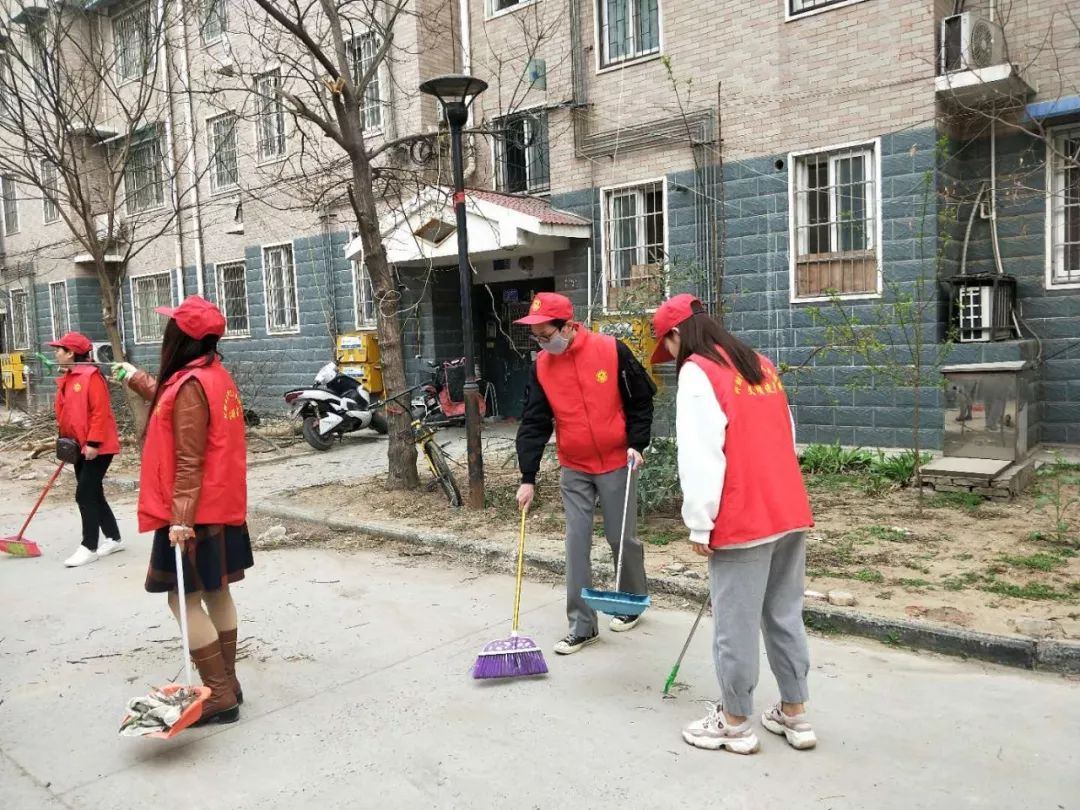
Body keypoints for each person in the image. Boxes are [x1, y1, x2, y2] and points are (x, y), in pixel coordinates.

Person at [651, 294, 816, 755]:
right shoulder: (758, 363)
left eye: (666, 345)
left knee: (735, 624)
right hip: (787, 506)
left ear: (677, 334)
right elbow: (787, 434)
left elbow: (701, 454)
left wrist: (699, 524)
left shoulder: (697, 371)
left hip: (742, 516)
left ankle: (735, 721)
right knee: (783, 614)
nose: (669, 356)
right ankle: (795, 713)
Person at [114, 295, 252, 726]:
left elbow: (189, 457)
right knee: (217, 592)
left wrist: (180, 520)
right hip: (219, 504)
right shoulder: (212, 375)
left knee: (182, 599)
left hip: (194, 511)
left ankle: (219, 694)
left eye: (170, 326)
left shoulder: (191, 385)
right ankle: (226, 684)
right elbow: (178, 408)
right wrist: (137, 379)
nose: (165, 332)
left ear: (183, 337)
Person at [514, 292, 656, 655]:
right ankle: (582, 625)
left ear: (568, 326)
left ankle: (631, 600)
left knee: (621, 537)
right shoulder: (543, 366)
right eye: (537, 338)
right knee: (576, 544)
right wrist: (527, 477)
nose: (543, 344)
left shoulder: (611, 350)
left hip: (616, 461)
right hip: (574, 465)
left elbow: (641, 398)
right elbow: (534, 422)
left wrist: (637, 444)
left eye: (547, 335)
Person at [49, 332, 123, 568]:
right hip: (77, 446)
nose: (56, 352)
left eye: (59, 349)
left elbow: (99, 413)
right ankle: (114, 538)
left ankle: (89, 546)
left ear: (71, 353)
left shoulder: (92, 377)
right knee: (93, 492)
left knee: (84, 494)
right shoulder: (70, 377)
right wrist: (66, 442)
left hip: (97, 446)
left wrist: (93, 443)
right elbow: (67, 414)